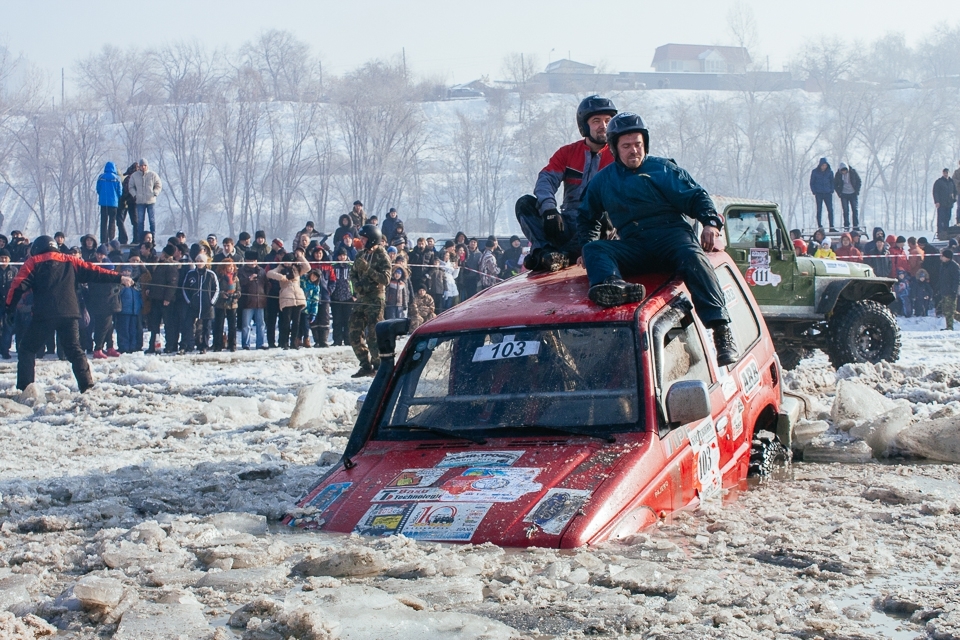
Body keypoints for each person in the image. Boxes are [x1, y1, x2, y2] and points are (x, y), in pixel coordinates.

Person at [576, 112, 738, 366]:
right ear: (615, 149)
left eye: (638, 145)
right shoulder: (603, 181)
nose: (633, 151)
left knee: (694, 258)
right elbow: (587, 216)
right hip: (635, 244)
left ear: (645, 144)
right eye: (626, 146)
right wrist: (585, 245)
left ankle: (722, 332)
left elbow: (696, 196)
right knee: (594, 250)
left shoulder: (662, 169)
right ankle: (615, 287)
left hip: (672, 238)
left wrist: (710, 223)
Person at [5, 235, 133, 392]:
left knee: (27, 349)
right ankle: (87, 386)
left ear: (37, 248)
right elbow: (95, 271)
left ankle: (26, 388)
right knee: (74, 350)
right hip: (70, 313)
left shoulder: (33, 261)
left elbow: (17, 286)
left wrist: (9, 309)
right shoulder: (70, 260)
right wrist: (119, 277)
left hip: (44, 314)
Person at [517, 95, 618, 272]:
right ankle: (547, 252)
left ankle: (559, 256)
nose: (603, 126)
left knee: (601, 215)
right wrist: (549, 209)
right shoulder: (568, 153)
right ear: (584, 125)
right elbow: (546, 180)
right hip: (568, 222)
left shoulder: (617, 156)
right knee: (524, 203)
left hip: (597, 226)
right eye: (596, 121)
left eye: (608, 121)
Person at [348, 224, 391, 377]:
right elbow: (352, 273)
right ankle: (365, 365)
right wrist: (356, 287)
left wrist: (367, 269)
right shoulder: (360, 254)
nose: (361, 241)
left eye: (364, 238)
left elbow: (385, 279)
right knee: (354, 332)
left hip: (375, 298)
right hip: (361, 298)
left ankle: (379, 366)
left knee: (373, 334)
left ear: (372, 239)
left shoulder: (382, 255)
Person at [269, 252, 310, 349]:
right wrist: (280, 277)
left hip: (298, 297)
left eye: (290, 262)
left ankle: (294, 343)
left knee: (296, 322)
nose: (288, 263)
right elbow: (269, 273)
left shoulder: (297, 269)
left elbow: (308, 267)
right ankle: (284, 342)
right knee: (286, 321)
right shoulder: (280, 268)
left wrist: (301, 257)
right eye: (286, 261)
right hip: (286, 298)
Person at [181, 253, 219, 353]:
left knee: (206, 328)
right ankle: (189, 345)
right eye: (198, 261)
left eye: (201, 261)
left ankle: (204, 346)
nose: (199, 263)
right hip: (193, 305)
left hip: (207, 306)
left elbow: (216, 289)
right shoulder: (190, 274)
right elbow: (185, 288)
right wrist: (189, 301)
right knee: (189, 326)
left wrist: (211, 302)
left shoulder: (211, 274)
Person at [238, 250, 268, 350]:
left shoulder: (261, 271)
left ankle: (260, 343)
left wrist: (264, 295)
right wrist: (248, 279)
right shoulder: (241, 271)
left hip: (260, 301)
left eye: (254, 260)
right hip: (247, 302)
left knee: (261, 324)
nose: (252, 262)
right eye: (250, 260)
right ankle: (245, 344)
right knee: (246, 325)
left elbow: (266, 284)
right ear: (246, 260)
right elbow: (239, 284)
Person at [128, 159, 162, 242]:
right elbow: (130, 186)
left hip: (151, 201)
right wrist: (135, 194)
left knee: (152, 220)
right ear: (139, 166)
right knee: (140, 221)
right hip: (140, 201)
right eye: (141, 165)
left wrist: (155, 193)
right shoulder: (134, 175)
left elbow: (158, 185)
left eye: (145, 165)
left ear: (147, 166)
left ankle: (152, 238)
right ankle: (140, 239)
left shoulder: (153, 175)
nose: (143, 167)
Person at [212, 259, 240, 352]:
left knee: (232, 326)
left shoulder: (235, 278)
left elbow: (239, 290)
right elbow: (215, 289)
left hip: (232, 304)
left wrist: (236, 295)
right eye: (229, 266)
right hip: (221, 304)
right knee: (219, 325)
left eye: (232, 266)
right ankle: (218, 345)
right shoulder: (219, 277)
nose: (231, 268)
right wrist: (221, 294)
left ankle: (232, 345)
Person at [115, 266, 143, 353]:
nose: (127, 273)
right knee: (124, 330)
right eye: (125, 271)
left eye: (128, 271)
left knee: (133, 330)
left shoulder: (135, 284)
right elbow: (116, 294)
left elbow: (139, 295)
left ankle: (133, 346)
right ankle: (124, 347)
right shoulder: (120, 284)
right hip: (123, 311)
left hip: (134, 311)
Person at [330, 247, 353, 347]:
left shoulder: (351, 266)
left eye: (343, 255)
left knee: (348, 320)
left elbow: (356, 280)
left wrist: (355, 294)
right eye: (340, 255)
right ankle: (337, 340)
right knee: (337, 320)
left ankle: (348, 339)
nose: (342, 257)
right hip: (336, 296)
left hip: (349, 296)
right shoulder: (333, 266)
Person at [96, 162, 123, 244]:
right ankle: (111, 239)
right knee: (112, 221)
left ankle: (103, 240)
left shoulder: (101, 177)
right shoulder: (117, 178)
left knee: (103, 221)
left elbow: (98, 189)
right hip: (113, 203)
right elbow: (120, 191)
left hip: (103, 203)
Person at [810, 157, 836, 231]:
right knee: (819, 210)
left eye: (825, 165)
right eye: (822, 165)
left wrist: (831, 190)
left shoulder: (830, 172)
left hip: (828, 193)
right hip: (819, 193)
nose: (824, 167)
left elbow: (832, 182)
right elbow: (812, 182)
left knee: (830, 210)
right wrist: (814, 191)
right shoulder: (815, 172)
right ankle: (820, 226)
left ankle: (831, 226)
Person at [0, 249, 18, 359]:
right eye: (1, 258)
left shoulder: (14, 270)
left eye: (5, 258)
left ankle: (5, 349)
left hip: (10, 303)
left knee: (8, 327)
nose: (3, 260)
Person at [833, 163, 862, 230]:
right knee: (845, 210)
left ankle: (856, 226)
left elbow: (859, 181)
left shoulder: (853, 172)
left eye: (845, 170)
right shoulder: (838, 174)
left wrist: (857, 191)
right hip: (844, 194)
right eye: (842, 171)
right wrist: (839, 193)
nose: (844, 172)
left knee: (855, 209)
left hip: (853, 194)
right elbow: (835, 184)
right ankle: (846, 226)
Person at [117, 163, 140, 245]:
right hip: (137, 202)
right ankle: (137, 239)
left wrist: (123, 199)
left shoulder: (129, 178)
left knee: (132, 221)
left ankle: (125, 239)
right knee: (136, 221)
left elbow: (126, 191)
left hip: (130, 202)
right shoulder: (139, 178)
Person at [938, 248, 960, 330]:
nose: (941, 257)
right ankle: (949, 326)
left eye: (942, 256)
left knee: (949, 311)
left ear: (947, 257)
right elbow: (941, 278)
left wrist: (954, 290)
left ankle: (949, 327)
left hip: (950, 292)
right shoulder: (943, 265)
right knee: (947, 311)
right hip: (944, 290)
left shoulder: (954, 266)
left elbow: (956, 279)